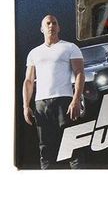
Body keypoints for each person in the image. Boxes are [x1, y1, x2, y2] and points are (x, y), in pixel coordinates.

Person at [23, 15, 85, 169]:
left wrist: (76, 100)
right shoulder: (34, 53)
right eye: (48, 23)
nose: (51, 26)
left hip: (64, 101)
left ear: (59, 27)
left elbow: (79, 73)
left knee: (72, 147)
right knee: (45, 148)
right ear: (42, 29)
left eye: (54, 23)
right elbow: (29, 81)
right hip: (41, 104)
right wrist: (26, 106)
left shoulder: (70, 47)